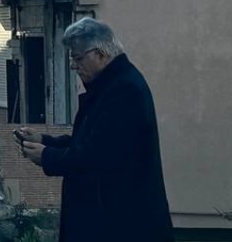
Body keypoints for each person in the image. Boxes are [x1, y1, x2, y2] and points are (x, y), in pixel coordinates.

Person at [16, 18, 173, 242]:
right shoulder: (112, 86)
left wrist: (47, 156)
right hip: (111, 217)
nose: (72, 65)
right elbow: (89, 142)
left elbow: (97, 155)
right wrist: (45, 140)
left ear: (100, 54)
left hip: (119, 222)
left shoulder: (123, 91)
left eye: (77, 57)